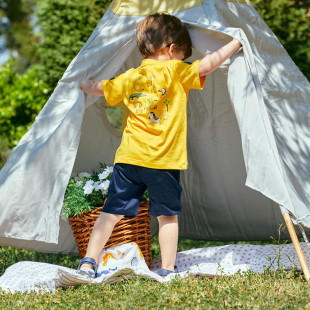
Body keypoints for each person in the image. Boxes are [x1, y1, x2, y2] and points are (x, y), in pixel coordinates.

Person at [78, 13, 241, 278]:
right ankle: (167, 269)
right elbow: (206, 66)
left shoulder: (130, 77)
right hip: (163, 161)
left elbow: (100, 88)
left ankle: (88, 261)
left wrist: (84, 84)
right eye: (182, 55)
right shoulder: (175, 70)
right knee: (167, 217)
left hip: (129, 159)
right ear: (171, 49)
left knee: (110, 213)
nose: (183, 60)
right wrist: (234, 43)